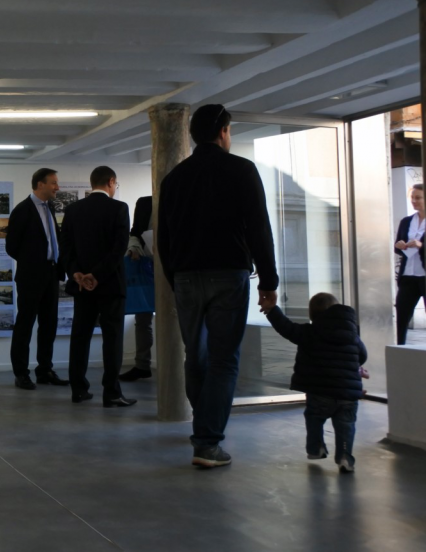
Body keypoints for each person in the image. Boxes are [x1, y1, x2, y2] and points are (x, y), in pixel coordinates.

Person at [158, 103, 279, 468]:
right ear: (224, 131)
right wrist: (269, 280)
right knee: (224, 359)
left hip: (185, 277)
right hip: (229, 275)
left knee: (195, 355)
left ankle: (204, 426)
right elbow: (259, 227)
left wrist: (175, 278)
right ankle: (207, 442)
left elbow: (164, 237)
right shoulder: (241, 169)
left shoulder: (174, 178)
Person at [261, 292, 368, 473]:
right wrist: (353, 368)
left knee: (314, 418)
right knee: (346, 426)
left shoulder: (309, 332)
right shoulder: (352, 335)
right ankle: (345, 457)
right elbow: (362, 356)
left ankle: (316, 448)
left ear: (312, 314)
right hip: (348, 396)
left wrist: (272, 311)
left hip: (320, 394)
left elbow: (286, 328)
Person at [60, 166, 135, 406]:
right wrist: (97, 275)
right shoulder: (119, 208)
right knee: (112, 339)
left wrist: (77, 274)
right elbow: (119, 248)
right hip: (110, 285)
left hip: (82, 287)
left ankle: (78, 390)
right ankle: (111, 393)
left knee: (80, 337)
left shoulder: (73, 210)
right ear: (111, 182)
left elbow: (66, 248)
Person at [6, 168, 68, 389]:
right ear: (40, 184)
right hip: (31, 276)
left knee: (49, 324)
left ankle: (45, 370)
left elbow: (53, 241)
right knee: (25, 324)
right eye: (53, 183)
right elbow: (12, 247)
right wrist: (32, 263)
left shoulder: (49, 207)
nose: (57, 187)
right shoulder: (22, 210)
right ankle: (21, 373)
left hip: (51, 274)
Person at [121, 195, 154, 382]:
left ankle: (178, 366)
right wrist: (133, 247)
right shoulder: (144, 203)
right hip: (146, 266)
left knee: (177, 319)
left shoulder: (181, 198)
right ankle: (142, 365)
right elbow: (135, 232)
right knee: (142, 317)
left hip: (175, 267)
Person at [394, 183, 425, 345]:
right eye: (412, 197)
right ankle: (399, 348)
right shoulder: (406, 221)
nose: (414, 201)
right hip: (408, 275)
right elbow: (397, 247)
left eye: (418, 197)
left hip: (424, 275)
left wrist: (421, 245)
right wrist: (400, 245)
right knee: (402, 316)